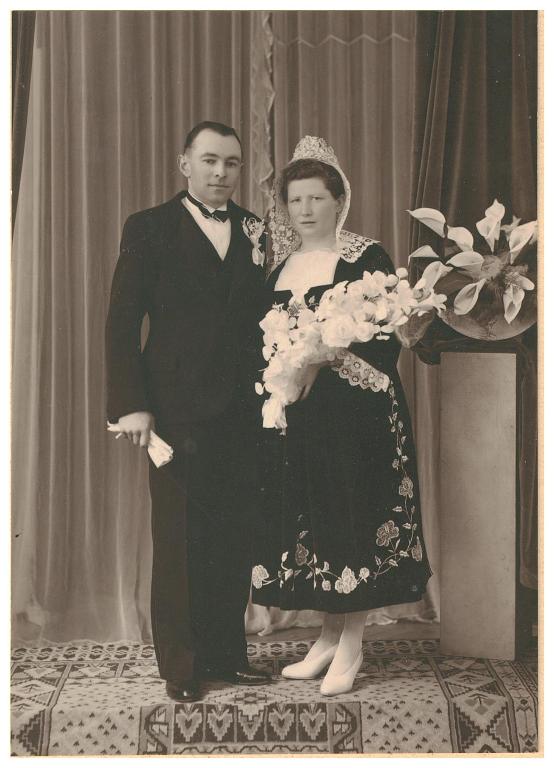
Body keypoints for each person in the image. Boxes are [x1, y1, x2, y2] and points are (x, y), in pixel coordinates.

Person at [251, 136, 433, 696]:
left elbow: (384, 336)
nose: (305, 210)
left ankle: (352, 643)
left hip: (357, 413)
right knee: (319, 517)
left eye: (316, 198)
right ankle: (328, 637)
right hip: (304, 417)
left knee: (353, 515)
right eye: (295, 200)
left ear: (338, 201)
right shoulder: (278, 267)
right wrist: (285, 373)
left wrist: (321, 359)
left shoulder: (364, 257)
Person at [105, 121, 270, 702]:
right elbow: (122, 322)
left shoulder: (255, 229)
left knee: (233, 533)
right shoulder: (148, 227)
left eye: (231, 162)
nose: (221, 172)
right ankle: (181, 665)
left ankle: (227, 655)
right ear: (185, 164)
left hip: (243, 410)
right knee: (178, 537)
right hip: (174, 410)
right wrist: (131, 406)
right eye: (209, 160)